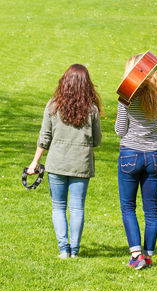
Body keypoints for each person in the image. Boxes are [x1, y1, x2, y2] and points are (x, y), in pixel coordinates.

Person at [28, 64, 102, 259]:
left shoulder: (53, 106)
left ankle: (63, 250)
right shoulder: (92, 109)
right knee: (77, 207)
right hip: (81, 164)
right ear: (87, 85)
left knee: (58, 207)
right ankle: (75, 250)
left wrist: (34, 163)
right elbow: (97, 140)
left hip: (57, 163)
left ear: (65, 82)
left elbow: (44, 138)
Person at [115, 54, 157, 270]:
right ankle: (147, 256)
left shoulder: (126, 98)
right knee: (151, 209)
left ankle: (136, 254)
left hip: (129, 154)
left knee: (128, 207)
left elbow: (121, 130)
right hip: (153, 157)